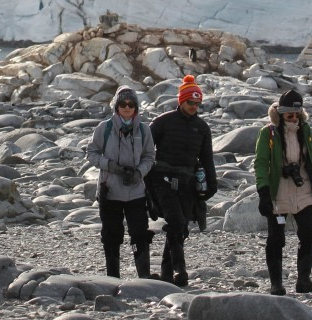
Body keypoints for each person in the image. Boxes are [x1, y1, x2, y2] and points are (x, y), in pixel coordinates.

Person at [254, 87, 312, 295]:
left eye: (296, 112)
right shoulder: (268, 133)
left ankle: (303, 280)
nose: (293, 116)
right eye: (289, 112)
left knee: (308, 235)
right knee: (276, 239)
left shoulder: (305, 131)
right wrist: (263, 192)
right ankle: (276, 284)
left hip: (303, 190)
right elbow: (261, 163)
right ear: (280, 112)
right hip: (279, 193)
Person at [147, 74, 217, 286]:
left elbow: (207, 158)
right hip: (162, 179)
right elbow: (146, 152)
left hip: (188, 182)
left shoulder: (203, 128)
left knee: (181, 227)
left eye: (198, 103)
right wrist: (145, 182)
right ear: (181, 100)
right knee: (176, 222)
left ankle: (167, 276)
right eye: (191, 102)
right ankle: (181, 270)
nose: (195, 106)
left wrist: (211, 185)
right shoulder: (162, 122)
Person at [86, 85, 156, 278]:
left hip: (136, 192)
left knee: (140, 234)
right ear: (116, 106)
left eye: (131, 104)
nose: (127, 107)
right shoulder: (104, 128)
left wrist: (139, 172)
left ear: (136, 107)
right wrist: (109, 165)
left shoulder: (144, 130)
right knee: (111, 236)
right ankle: (113, 278)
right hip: (110, 190)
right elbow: (91, 153)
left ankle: (144, 278)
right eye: (123, 103)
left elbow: (150, 156)